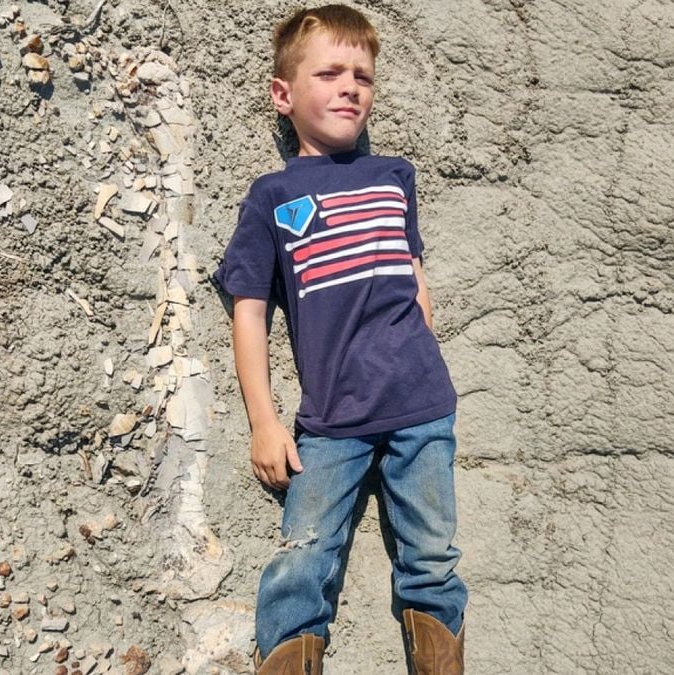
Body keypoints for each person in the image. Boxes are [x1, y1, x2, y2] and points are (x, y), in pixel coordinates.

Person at [213, 5, 467, 674]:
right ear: (284, 95)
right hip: (331, 421)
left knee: (433, 557)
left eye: (362, 75)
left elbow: (415, 280)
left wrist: (426, 354)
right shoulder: (272, 197)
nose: (349, 85)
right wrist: (264, 422)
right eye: (328, 72)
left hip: (421, 406)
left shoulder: (394, 177)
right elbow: (248, 308)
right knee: (303, 554)